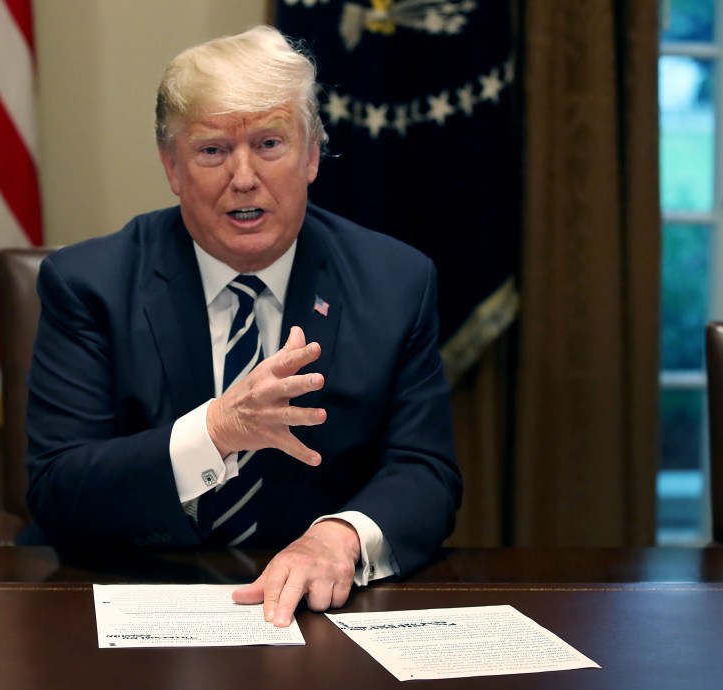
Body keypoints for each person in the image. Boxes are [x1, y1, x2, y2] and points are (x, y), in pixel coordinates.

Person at [25, 25, 462, 627]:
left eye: (270, 143)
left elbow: (425, 469)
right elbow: (58, 488)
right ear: (172, 166)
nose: (244, 177)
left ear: (311, 156)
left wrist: (341, 538)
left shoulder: (395, 282)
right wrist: (217, 431)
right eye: (212, 151)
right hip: (126, 595)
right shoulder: (89, 284)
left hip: (318, 613)